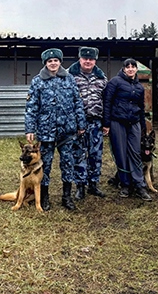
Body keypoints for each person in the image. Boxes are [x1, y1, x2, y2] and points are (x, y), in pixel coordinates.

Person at [25, 48, 86, 211]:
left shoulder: (69, 79)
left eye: (56, 61)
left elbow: (78, 103)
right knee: (46, 164)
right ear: (45, 63)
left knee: (68, 162)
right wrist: (29, 128)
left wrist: (81, 124)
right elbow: (31, 106)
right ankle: (44, 197)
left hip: (67, 130)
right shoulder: (38, 81)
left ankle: (67, 196)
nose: (53, 63)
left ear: (60, 62)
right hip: (46, 131)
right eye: (50, 61)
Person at [102, 58, 152, 201]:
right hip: (118, 121)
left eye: (133, 67)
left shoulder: (139, 87)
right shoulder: (115, 82)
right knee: (121, 153)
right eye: (127, 67)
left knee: (135, 152)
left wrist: (143, 126)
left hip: (134, 122)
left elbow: (141, 107)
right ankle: (125, 184)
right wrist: (106, 123)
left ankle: (139, 184)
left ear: (136, 69)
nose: (130, 69)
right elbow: (107, 102)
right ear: (123, 69)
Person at [68, 46, 107, 200]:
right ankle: (80, 186)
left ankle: (93, 184)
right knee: (78, 154)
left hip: (96, 122)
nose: (88, 61)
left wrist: (106, 122)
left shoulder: (101, 78)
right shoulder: (70, 76)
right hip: (78, 123)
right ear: (80, 59)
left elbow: (107, 101)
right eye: (85, 58)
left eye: (91, 59)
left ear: (95, 60)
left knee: (96, 154)